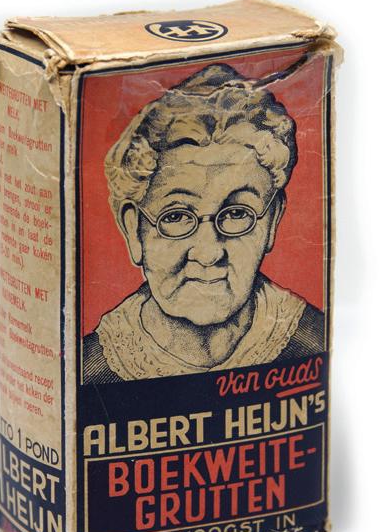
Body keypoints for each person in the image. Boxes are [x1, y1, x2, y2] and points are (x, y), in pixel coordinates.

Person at [83, 63, 324, 384]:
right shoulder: (89, 368)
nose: (209, 253)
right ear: (133, 230)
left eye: (237, 213)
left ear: (272, 221)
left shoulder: (315, 340)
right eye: (176, 217)